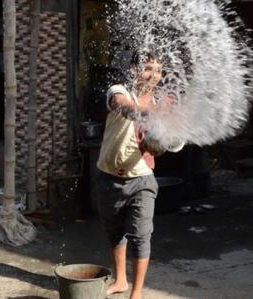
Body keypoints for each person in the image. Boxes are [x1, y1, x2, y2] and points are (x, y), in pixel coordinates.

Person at [96, 51, 170, 299]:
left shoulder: (161, 106)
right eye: (148, 68)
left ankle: (136, 293)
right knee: (115, 232)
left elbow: (167, 145)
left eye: (158, 70)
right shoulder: (120, 91)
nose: (153, 75)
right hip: (108, 176)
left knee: (140, 235)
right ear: (133, 71)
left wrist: (159, 143)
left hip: (141, 180)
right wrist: (144, 114)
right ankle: (121, 281)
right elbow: (123, 107)